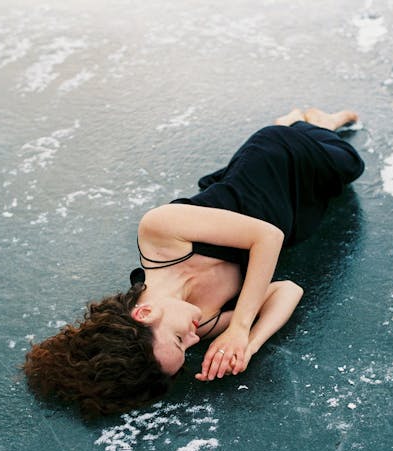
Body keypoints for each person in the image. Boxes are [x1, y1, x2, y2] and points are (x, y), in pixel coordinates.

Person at [23, 107, 364, 416]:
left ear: (144, 313)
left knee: (349, 160)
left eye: (178, 339)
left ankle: (305, 123)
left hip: (274, 161)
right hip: (295, 217)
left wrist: (240, 326)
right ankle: (305, 125)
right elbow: (287, 290)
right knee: (334, 172)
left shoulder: (158, 233)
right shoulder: (200, 323)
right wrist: (247, 343)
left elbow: (267, 238)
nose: (193, 340)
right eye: (188, 349)